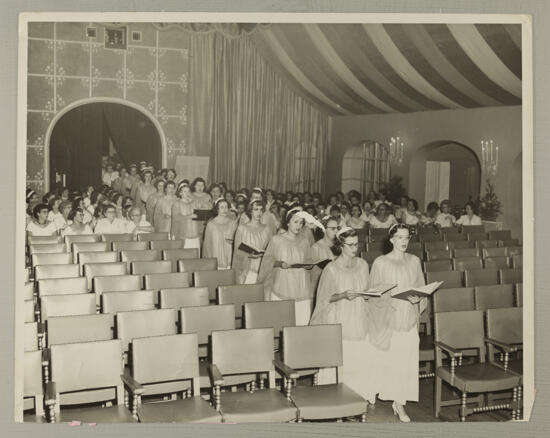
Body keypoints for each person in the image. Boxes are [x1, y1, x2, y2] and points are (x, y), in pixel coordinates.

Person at [366, 224, 427, 422]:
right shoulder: (380, 262)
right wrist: (388, 299)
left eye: (407, 237)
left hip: (408, 316)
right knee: (390, 361)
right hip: (388, 317)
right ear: (391, 239)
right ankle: (387, 395)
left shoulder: (414, 261)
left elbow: (421, 288)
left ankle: (399, 402)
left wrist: (419, 299)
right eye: (399, 237)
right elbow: (373, 294)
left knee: (405, 362)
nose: (403, 241)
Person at [310, 227, 377, 402]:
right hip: (340, 317)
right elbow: (324, 298)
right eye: (351, 245)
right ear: (340, 246)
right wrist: (343, 295)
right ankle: (338, 399)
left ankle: (358, 397)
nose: (355, 248)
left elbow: (367, 289)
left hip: (359, 317)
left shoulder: (362, 265)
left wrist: (372, 294)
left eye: (357, 244)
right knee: (343, 357)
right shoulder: (331, 269)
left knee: (359, 357)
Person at [258, 208, 314, 326]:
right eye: (295, 222)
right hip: (282, 285)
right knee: (281, 324)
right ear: (288, 222)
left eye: (301, 223)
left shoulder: (304, 241)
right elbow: (267, 262)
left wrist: (309, 265)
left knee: (301, 323)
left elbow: (309, 261)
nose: (298, 226)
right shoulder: (276, 240)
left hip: (301, 286)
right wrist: (280, 264)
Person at [232, 200, 273, 284]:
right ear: (250, 211)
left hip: (262, 268)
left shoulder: (267, 229)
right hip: (246, 269)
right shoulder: (242, 228)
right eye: (256, 209)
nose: (259, 212)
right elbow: (237, 251)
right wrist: (248, 255)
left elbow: (271, 251)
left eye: (261, 210)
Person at [202, 199, 237, 269]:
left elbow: (237, 240)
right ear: (217, 209)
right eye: (222, 207)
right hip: (215, 256)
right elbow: (207, 245)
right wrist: (208, 261)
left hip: (228, 256)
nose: (225, 210)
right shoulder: (211, 224)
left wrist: (233, 242)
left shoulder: (233, 223)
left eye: (226, 207)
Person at [309, 218, 338, 293]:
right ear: (324, 229)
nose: (336, 231)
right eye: (333, 228)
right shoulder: (316, 247)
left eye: (338, 228)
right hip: (321, 285)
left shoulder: (339, 246)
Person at [171, 183, 200, 250]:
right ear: (180, 193)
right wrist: (188, 216)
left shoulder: (194, 203)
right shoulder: (177, 204)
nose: (187, 193)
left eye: (188, 191)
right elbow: (176, 218)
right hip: (184, 236)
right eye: (185, 191)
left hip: (195, 235)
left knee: (195, 256)